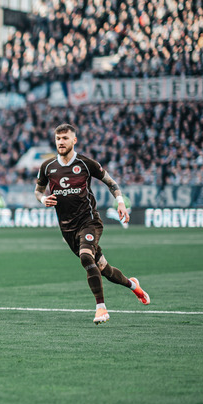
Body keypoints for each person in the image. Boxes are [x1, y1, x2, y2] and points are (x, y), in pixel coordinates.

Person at [34, 124, 150, 324]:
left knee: (86, 257)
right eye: (58, 139)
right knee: (104, 269)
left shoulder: (86, 164)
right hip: (67, 229)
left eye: (65, 138)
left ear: (74, 140)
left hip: (89, 221)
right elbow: (38, 191)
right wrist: (43, 200)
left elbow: (111, 182)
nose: (61, 142)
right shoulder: (47, 167)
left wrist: (120, 202)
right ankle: (134, 286)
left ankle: (101, 309)